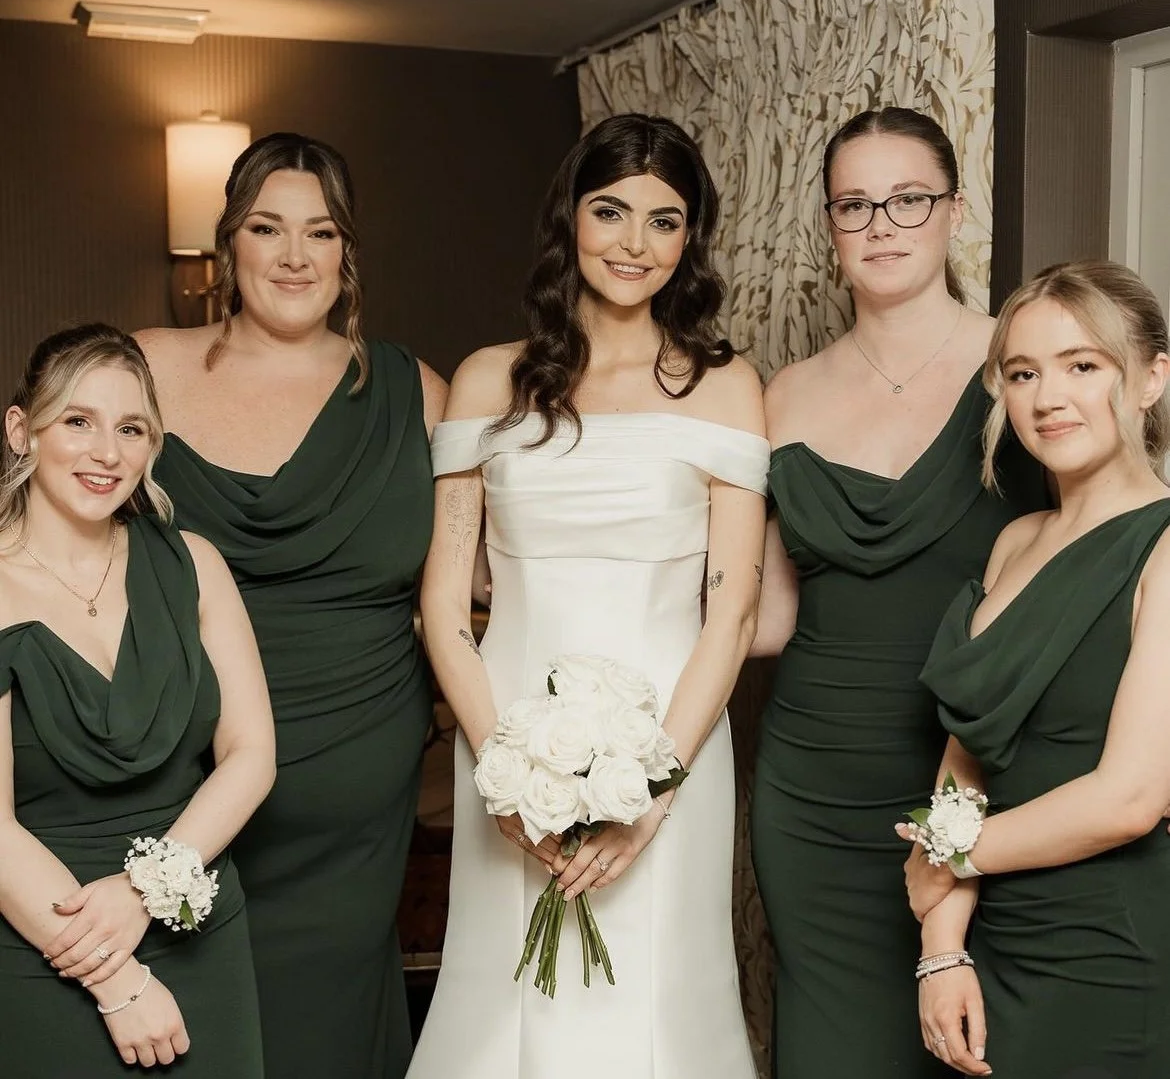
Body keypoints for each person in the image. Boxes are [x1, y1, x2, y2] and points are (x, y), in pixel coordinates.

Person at [409, 113, 766, 1079]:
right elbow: (442, 605)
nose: (634, 243)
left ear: (690, 238)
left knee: (656, 992)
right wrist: (503, 773)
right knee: (505, 995)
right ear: (571, 217)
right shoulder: (491, 379)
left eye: (664, 219)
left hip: (672, 743)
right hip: (508, 738)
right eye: (611, 212)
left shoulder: (728, 388)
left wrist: (653, 792)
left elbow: (730, 614)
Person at [137, 132, 448, 1079]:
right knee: (184, 1021)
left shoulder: (415, 393)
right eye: (267, 228)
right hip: (182, 769)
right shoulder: (146, 369)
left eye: (321, 232)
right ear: (227, 242)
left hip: (356, 780)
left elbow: (475, 582)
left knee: (327, 1030)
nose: (294, 255)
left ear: (348, 252)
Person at [749, 107, 1048, 1078]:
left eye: (908, 198)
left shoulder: (1025, 365)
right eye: (855, 204)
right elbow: (764, 613)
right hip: (809, 791)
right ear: (830, 225)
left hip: (975, 777)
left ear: (955, 210)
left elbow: (1111, 542)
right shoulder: (782, 393)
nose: (882, 223)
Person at [902, 261, 1170, 1077]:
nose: (1048, 397)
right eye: (1023, 372)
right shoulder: (1014, 540)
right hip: (992, 933)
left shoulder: (1165, 548)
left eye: (1083, 365)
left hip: (1110, 944)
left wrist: (946, 856)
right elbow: (968, 744)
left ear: (1152, 377)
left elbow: (1129, 797)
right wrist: (942, 947)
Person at [0, 324, 275, 1077]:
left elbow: (251, 756)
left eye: (132, 428)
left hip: (197, 923)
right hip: (43, 942)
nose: (107, 452)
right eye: (77, 421)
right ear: (21, 429)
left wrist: (144, 891)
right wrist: (116, 982)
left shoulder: (195, 564)